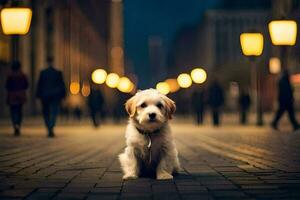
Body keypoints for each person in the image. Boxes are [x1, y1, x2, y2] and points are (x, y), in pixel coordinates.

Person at [36, 57, 66, 137]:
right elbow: (62, 85)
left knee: (46, 112)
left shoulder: (43, 73)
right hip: (55, 96)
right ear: (53, 62)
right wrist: (63, 95)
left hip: (45, 95)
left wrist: (38, 95)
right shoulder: (58, 72)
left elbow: (39, 85)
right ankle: (51, 127)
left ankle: (49, 127)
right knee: (54, 112)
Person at [5, 61, 29, 136]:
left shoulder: (10, 75)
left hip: (12, 95)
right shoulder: (22, 75)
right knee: (19, 111)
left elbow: (7, 86)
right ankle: (18, 124)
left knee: (13, 111)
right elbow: (26, 85)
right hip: (20, 95)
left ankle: (15, 124)